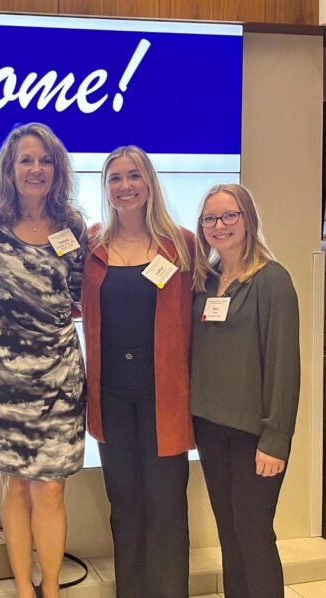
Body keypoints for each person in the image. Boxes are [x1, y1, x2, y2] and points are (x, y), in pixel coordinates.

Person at [0, 122, 87, 598]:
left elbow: (79, 293)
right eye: (26, 160)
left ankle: (52, 588)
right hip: (4, 375)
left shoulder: (73, 226)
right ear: (10, 169)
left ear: (56, 168)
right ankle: (23, 587)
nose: (35, 169)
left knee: (52, 488)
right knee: (15, 486)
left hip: (60, 373)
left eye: (44, 160)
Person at [81, 146, 193, 598]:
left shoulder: (182, 244)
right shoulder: (91, 247)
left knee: (166, 505)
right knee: (124, 505)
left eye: (134, 176)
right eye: (115, 178)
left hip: (163, 395)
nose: (125, 186)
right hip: (110, 396)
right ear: (105, 188)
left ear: (149, 184)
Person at [191, 183, 299, 598]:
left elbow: (284, 365)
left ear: (248, 219)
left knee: (253, 535)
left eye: (229, 215)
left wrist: (276, 438)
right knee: (229, 534)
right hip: (211, 427)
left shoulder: (272, 280)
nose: (219, 225)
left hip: (256, 434)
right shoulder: (206, 280)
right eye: (210, 218)